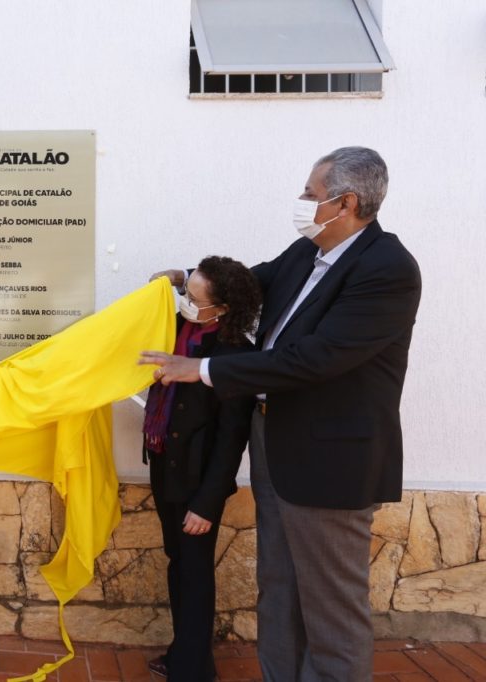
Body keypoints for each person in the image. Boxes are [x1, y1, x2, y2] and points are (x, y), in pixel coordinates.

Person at [141, 147, 422, 681]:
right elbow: (251, 282)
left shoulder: (387, 269)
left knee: (330, 606)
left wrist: (202, 369)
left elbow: (316, 359)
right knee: (279, 587)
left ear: (347, 203)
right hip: (275, 443)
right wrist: (185, 277)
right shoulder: (308, 251)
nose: (301, 201)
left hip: (329, 463)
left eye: (311, 194)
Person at [141, 257, 260, 680]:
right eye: (186, 293)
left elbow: (232, 438)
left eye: (194, 298)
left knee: (193, 570)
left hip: (197, 481)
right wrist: (175, 278)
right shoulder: (178, 327)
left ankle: (193, 669)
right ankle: (184, 654)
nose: (185, 302)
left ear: (222, 309)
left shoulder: (235, 356)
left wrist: (207, 504)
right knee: (179, 562)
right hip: (165, 465)